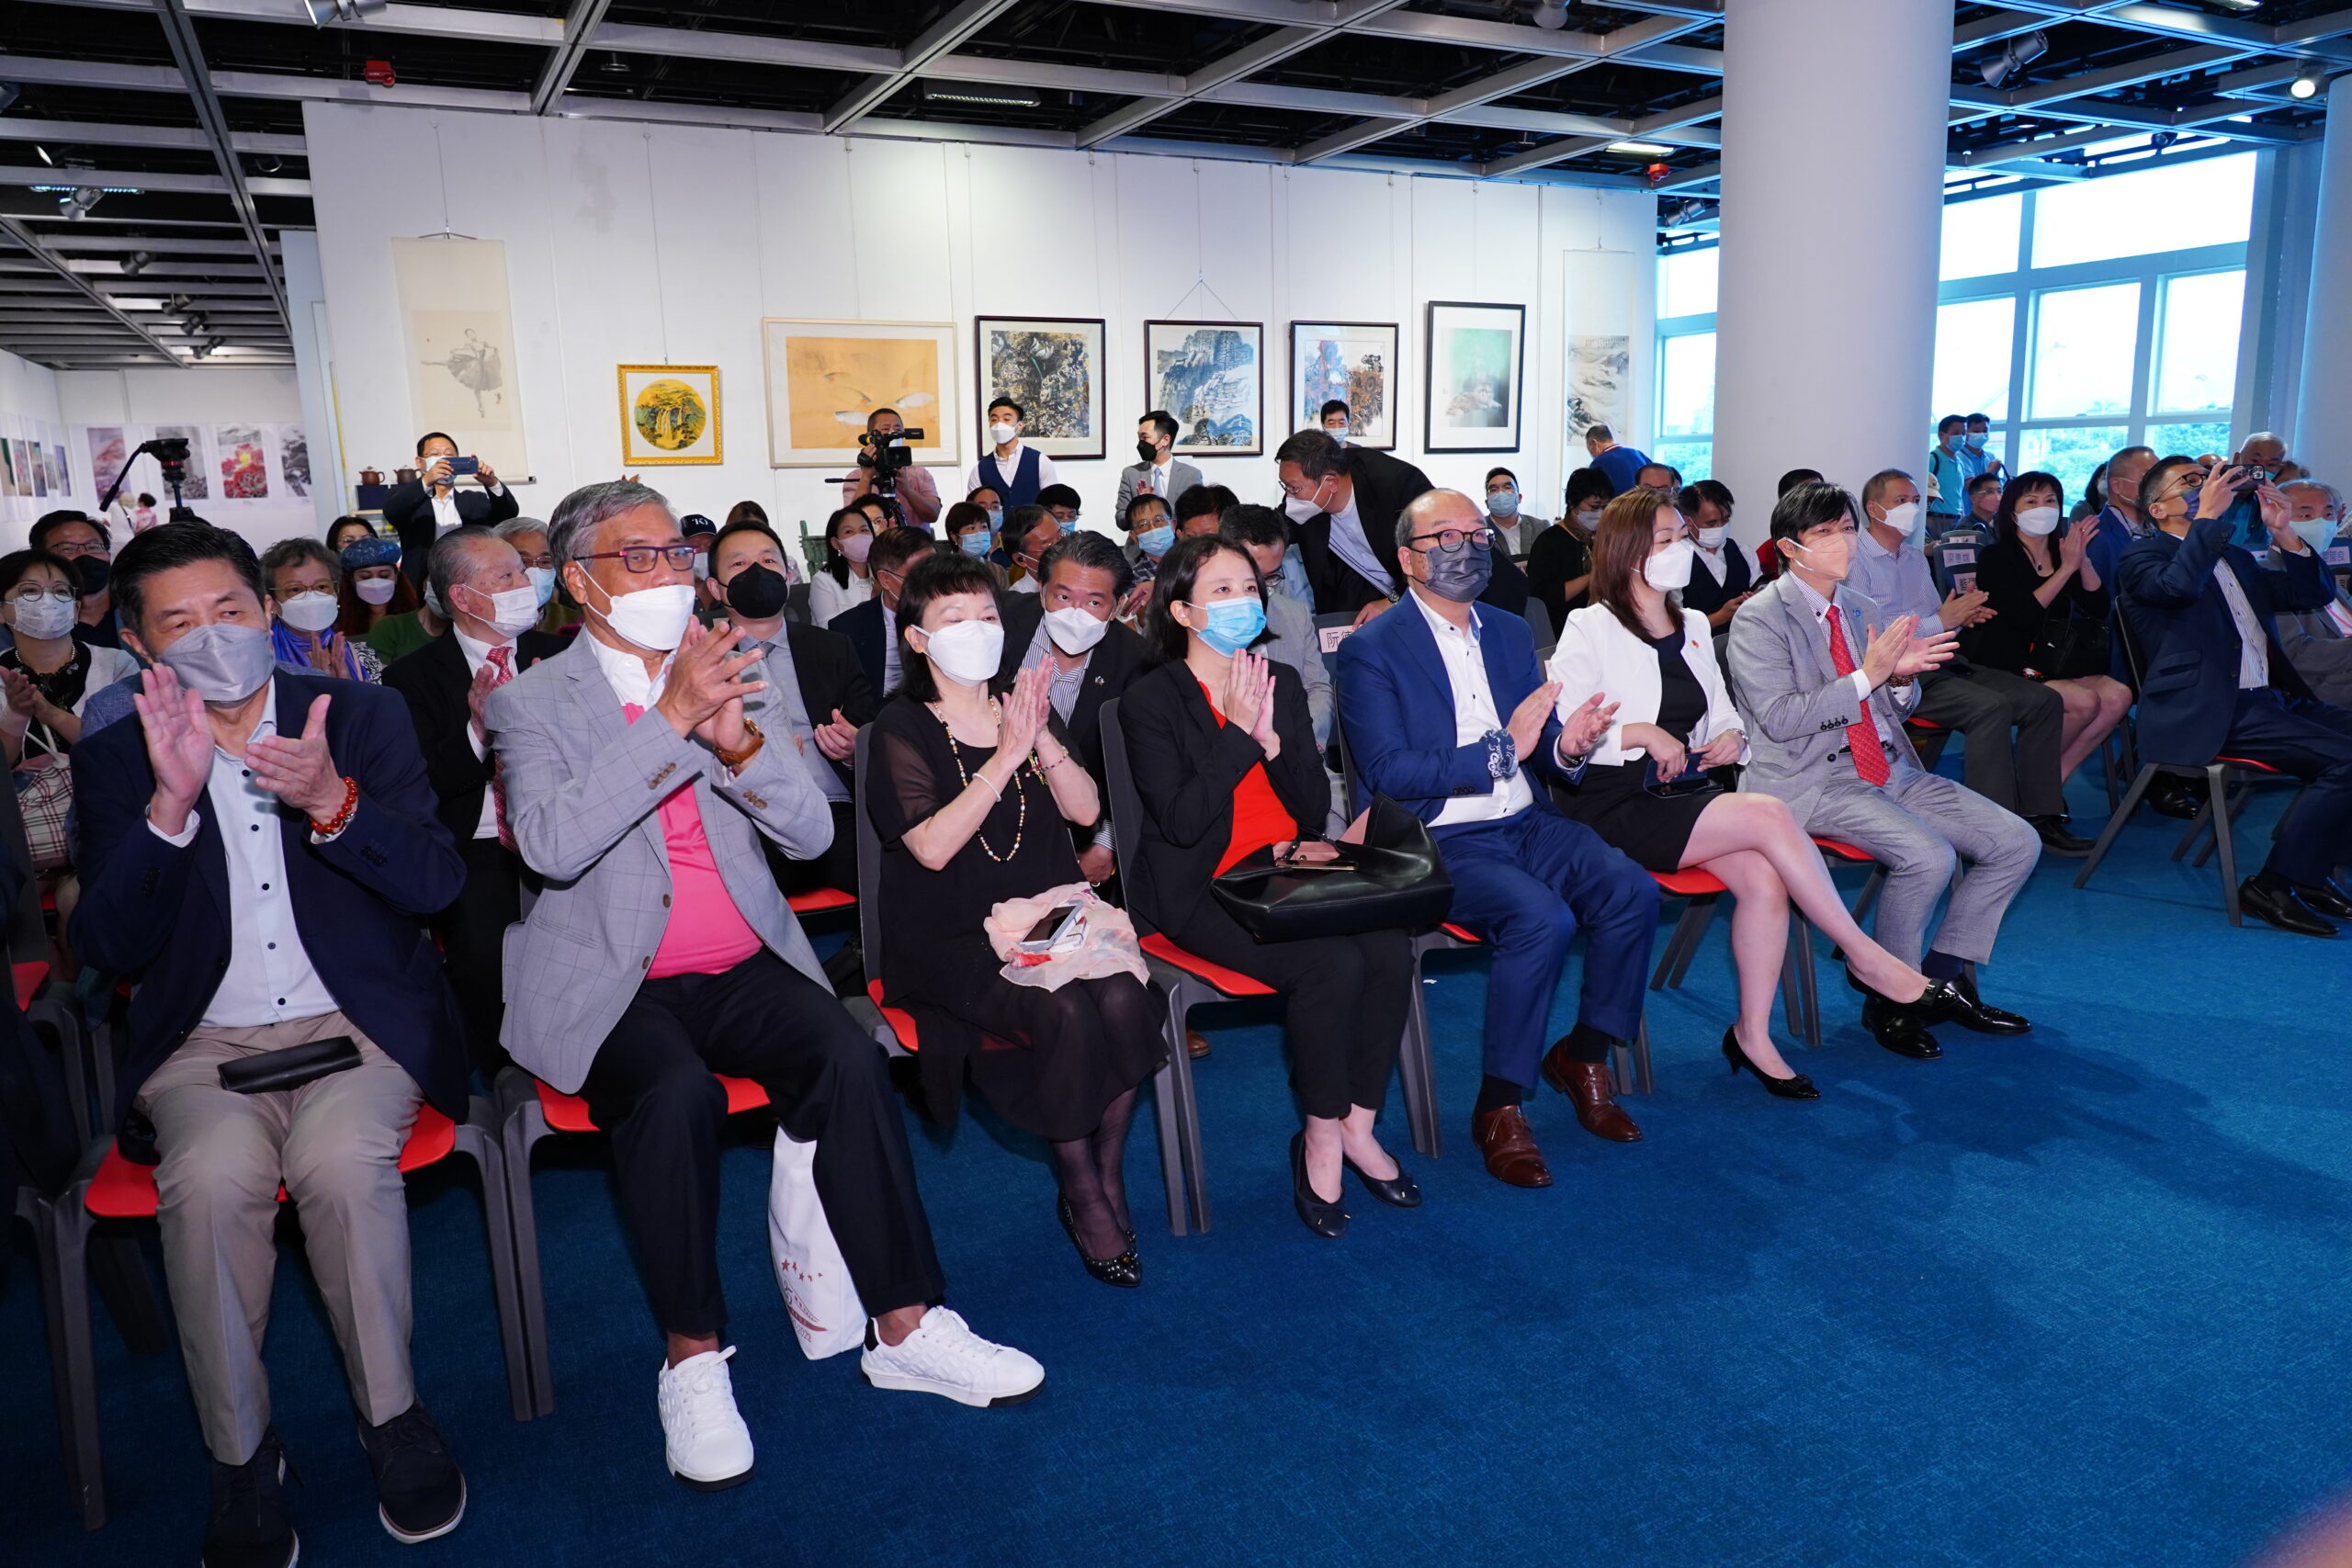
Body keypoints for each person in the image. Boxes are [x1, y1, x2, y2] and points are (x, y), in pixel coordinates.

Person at [488, 481, 1043, 1490]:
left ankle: (905, 1325)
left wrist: (738, 741)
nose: (671, 573)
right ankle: (693, 1357)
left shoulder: (733, 668)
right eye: (639, 557)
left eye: (676, 552)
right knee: (672, 1094)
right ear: (578, 581)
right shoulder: (530, 702)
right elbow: (551, 846)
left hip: (743, 959)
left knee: (850, 1058)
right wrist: (669, 721)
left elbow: (810, 833)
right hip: (612, 980)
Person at [70, 521, 471, 1564]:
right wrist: (170, 806)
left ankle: (392, 1418)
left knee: (341, 1165)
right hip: (201, 1044)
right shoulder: (114, 757)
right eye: (180, 623)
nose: (215, 635)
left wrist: (332, 802)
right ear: (140, 644)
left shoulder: (361, 716)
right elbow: (106, 947)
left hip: (354, 1023)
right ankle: (241, 1457)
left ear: (265, 611)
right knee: (208, 1183)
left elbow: (437, 881)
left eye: (231, 610)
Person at [1549, 491, 1948, 1097]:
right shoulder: (1591, 625)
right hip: (1610, 800)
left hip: (1678, 791)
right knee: (1767, 812)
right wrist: (1639, 732)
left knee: (1764, 880)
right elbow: (1566, 734)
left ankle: (1752, 1035)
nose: (1681, 548)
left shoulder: (1690, 624)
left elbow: (1723, 713)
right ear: (1629, 552)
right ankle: (1864, 955)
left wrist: (1731, 739)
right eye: (1666, 540)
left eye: (1682, 537)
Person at [1334, 488, 1652, 1187]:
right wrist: (1501, 751)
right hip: (1439, 836)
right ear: (1408, 559)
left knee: (1630, 888)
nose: (1468, 548)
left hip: (1526, 820)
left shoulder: (1508, 631)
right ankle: (1500, 1105)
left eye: (1478, 535)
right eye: (1446, 538)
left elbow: (1542, 745)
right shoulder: (1371, 649)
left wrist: (1567, 745)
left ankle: (1583, 1055)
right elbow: (1389, 773)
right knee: (1541, 917)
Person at [868, 550, 1165, 1283]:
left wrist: (1036, 734)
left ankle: (1106, 1170)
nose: (977, 628)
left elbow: (1087, 810)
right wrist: (1004, 756)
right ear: (917, 638)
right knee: (1063, 1009)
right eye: (954, 616)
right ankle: (1080, 1187)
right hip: (955, 934)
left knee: (1127, 995)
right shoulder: (901, 725)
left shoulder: (1024, 702)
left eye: (987, 613)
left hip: (1050, 916)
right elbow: (931, 847)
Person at [1123, 534, 1419, 1235]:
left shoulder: (1279, 679)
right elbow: (1182, 822)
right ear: (1183, 611)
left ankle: (1357, 1123)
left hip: (1286, 867)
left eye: (1249, 588)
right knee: (1330, 964)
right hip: (1203, 885)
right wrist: (1239, 735)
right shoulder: (1151, 699)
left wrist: (1280, 747)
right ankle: (1319, 1135)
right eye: (1221, 590)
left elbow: (1312, 808)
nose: (1242, 600)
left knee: (1388, 947)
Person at [1724, 481, 2041, 1056]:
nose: (1843, 542)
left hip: (1889, 766)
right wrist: (1868, 676)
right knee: (1929, 856)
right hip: (1813, 780)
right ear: (1789, 547)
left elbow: (1894, 707)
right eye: (1825, 532)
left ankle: (1940, 979)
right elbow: (1780, 719)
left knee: (2016, 842)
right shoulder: (1759, 618)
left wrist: (1897, 681)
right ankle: (1891, 994)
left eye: (1848, 529)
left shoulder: (1860, 607)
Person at [2115, 456, 2352, 936]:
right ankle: (2273, 884)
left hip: (2268, 700)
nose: (2205, 487)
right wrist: (2207, 518)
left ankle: (2310, 872)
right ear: (2157, 510)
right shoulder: (2142, 557)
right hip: (2210, 709)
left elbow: (2311, 594)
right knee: (2346, 762)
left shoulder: (2236, 557)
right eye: (2189, 483)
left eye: (2205, 481)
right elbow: (2178, 589)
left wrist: (2284, 532)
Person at [379, 526, 562, 1077]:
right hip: (477, 843)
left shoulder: (562, 656)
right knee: (484, 956)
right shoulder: (412, 677)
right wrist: (479, 730)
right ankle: (503, 1074)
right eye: (506, 575)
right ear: (462, 597)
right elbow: (420, 782)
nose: (524, 583)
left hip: (566, 828)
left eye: (523, 571)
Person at [1845, 468, 2087, 854]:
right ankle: (1996, 831)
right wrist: (1944, 620)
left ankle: (2040, 814)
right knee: (1991, 708)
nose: (1912, 509)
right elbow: (1870, 634)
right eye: (1901, 501)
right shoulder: (1854, 560)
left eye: (1915, 501)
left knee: (2044, 700)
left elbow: (1936, 617)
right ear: (1874, 509)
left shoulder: (1913, 557)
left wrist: (1963, 616)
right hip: (1895, 678)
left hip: (1941, 661)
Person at [705, 518, 875, 898]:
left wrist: (854, 750)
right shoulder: (703, 663)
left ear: (787, 574)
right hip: (748, 815)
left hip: (833, 809)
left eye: (768, 561)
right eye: (739, 564)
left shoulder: (833, 648)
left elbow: (869, 729)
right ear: (715, 588)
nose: (757, 572)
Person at [993, 529, 1148, 889]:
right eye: (1063, 597)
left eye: (1094, 602)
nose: (1075, 614)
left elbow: (1138, 768)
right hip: (989, 809)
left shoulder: (1136, 662)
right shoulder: (998, 622)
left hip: (1078, 832)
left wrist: (1106, 843)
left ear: (1117, 606)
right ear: (1041, 590)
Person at [1966, 472, 2133, 784]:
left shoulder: (2062, 552)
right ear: (2013, 511)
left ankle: (2052, 780)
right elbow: (2021, 617)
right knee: (2085, 702)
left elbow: (2097, 608)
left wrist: (2082, 561)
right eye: (2031, 502)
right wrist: (2065, 570)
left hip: (2056, 658)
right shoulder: (1996, 556)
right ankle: (2031, 781)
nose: (2042, 508)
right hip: (2012, 661)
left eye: (2050, 501)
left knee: (2118, 697)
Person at [0, 548, 140, 769]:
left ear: (75, 610)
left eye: (60, 591)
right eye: (30, 590)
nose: (47, 600)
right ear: (1, 610)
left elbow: (127, 749)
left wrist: (52, 714)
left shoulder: (116, 664)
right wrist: (15, 714)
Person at [1221, 503, 1336, 748]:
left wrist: (1302, 744)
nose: (1261, 591)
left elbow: (1317, 688)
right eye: (1252, 579)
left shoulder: (1295, 615)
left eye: (1271, 577)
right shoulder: (1202, 621)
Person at [382, 433, 517, 588]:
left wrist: (491, 482)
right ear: (420, 462)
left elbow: (508, 515)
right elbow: (393, 511)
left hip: (471, 582)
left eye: (449, 455)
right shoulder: (408, 499)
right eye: (435, 454)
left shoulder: (475, 500)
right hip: (420, 584)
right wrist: (427, 479)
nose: (443, 460)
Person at [2271, 480, 2352, 707]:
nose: (2320, 524)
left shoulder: (2323, 571)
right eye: (2306, 516)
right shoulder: (2267, 575)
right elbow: (2294, 653)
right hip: (2327, 689)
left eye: (2328, 515)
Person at [829, 525, 934, 698]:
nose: (931, 583)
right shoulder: (847, 630)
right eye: (918, 576)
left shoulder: (955, 620)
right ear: (885, 580)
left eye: (935, 572)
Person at [262, 538, 382, 682]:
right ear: (272, 603)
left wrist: (347, 688)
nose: (312, 597)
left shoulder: (363, 656)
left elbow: (379, 697)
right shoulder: (259, 659)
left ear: (336, 591)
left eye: (322, 587)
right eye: (295, 590)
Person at [1527, 468, 1611, 636]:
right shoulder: (1549, 542)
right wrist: (1591, 577)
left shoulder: (1604, 537)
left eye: (1605, 507)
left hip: (1601, 627)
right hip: (1563, 630)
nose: (1600, 513)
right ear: (1573, 503)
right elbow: (1542, 597)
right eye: (1594, 507)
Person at [29, 511, 124, 649]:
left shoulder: (140, 607)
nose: (84, 555)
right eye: (67, 549)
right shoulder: (24, 623)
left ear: (108, 555)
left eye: (93, 547)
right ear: (40, 560)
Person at [841, 407, 942, 529]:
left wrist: (907, 490)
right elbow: (851, 521)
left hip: (913, 541)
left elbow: (933, 515)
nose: (893, 435)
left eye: (898, 430)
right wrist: (866, 478)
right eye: (885, 429)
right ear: (869, 436)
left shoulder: (920, 474)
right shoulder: (856, 477)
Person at [1675, 479, 1753, 628]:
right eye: (1711, 523)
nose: (1720, 527)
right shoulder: (1676, 560)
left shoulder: (1743, 551)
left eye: (1725, 520)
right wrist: (1720, 617)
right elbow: (1674, 625)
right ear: (1688, 522)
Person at [966, 396, 1057, 510]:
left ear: (1020, 425)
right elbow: (972, 511)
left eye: (1006, 419)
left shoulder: (1040, 461)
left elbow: (1053, 504)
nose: (999, 425)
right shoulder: (980, 469)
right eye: (994, 420)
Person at [1115, 410, 1204, 522]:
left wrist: (1156, 506)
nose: (1140, 444)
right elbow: (1120, 519)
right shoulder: (1131, 474)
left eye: (1145, 437)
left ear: (1165, 440)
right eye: (1139, 438)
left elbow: (1196, 516)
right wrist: (1139, 507)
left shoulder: (1191, 475)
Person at [496, 515, 573, 638]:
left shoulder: (574, 625)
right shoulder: (480, 623)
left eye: (545, 561)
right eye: (523, 561)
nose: (534, 570)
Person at [337, 535, 419, 643]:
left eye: (384, 576)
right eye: (365, 577)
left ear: (396, 577)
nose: (376, 583)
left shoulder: (416, 619)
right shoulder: (340, 622)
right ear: (352, 580)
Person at [808, 505, 878, 628]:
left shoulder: (883, 575)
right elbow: (829, 629)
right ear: (836, 543)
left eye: (864, 530)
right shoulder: (823, 581)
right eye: (849, 532)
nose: (859, 536)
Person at [1483, 467, 1543, 558]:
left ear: (1519, 498)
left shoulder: (1540, 527)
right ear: (1487, 503)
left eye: (1507, 487)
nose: (1500, 493)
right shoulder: (1478, 530)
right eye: (1494, 489)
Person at [1004, 505, 1063, 593]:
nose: (1061, 547)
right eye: (1049, 545)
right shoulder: (1018, 599)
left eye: (1060, 536)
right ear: (1021, 559)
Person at [1927, 415, 1968, 533]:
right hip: (1935, 519)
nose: (1961, 437)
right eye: (1956, 433)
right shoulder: (1932, 460)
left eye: (1963, 434)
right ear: (1941, 435)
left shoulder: (1960, 464)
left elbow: (1958, 494)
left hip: (1956, 521)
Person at [1582, 425, 1651, 495]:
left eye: (1589, 450)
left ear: (1593, 444)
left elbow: (1593, 496)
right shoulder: (1638, 454)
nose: (1592, 454)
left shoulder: (1599, 463)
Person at [1962, 413, 2006, 485]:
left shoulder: (1990, 456)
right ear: (1965, 432)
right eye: (1976, 431)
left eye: (1985, 431)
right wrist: (1991, 471)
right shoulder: (1959, 457)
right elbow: (1971, 486)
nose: (1981, 434)